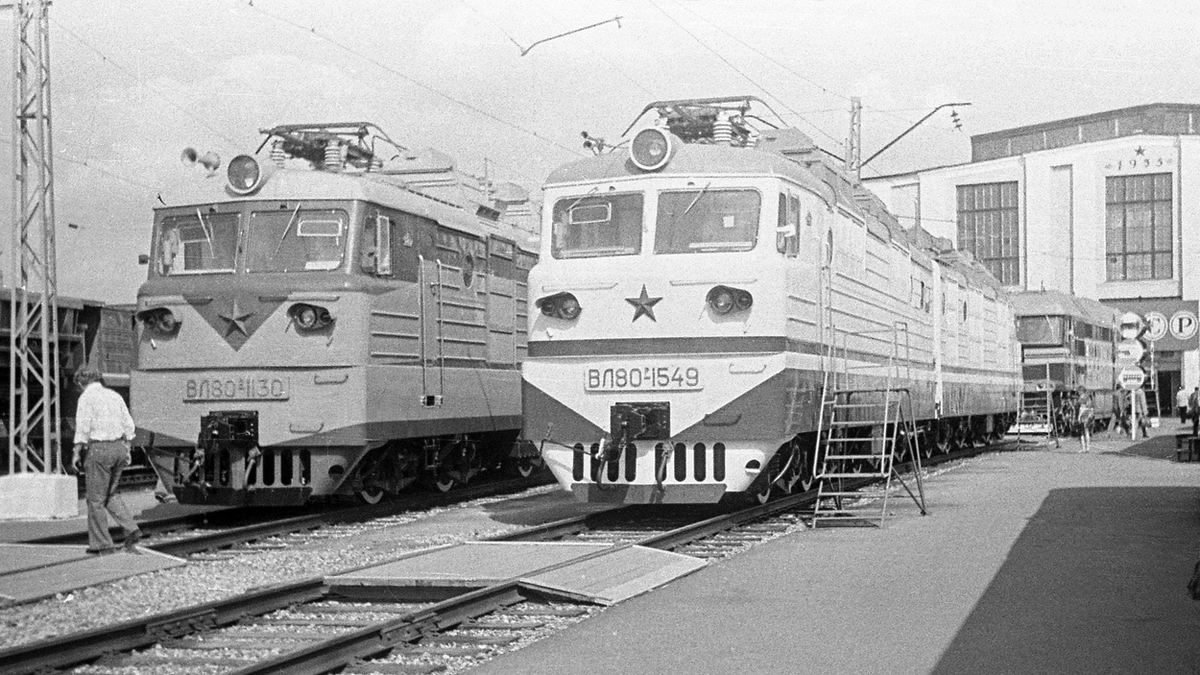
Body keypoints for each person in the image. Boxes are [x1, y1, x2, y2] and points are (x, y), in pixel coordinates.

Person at [71, 367, 142, 555]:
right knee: (110, 494)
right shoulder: (114, 395)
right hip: (119, 448)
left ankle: (102, 544)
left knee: (95, 500)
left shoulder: (86, 398)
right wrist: (126, 448)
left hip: (99, 449)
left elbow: (83, 428)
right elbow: (129, 425)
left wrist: (76, 452)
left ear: (80, 383)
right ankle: (131, 528)